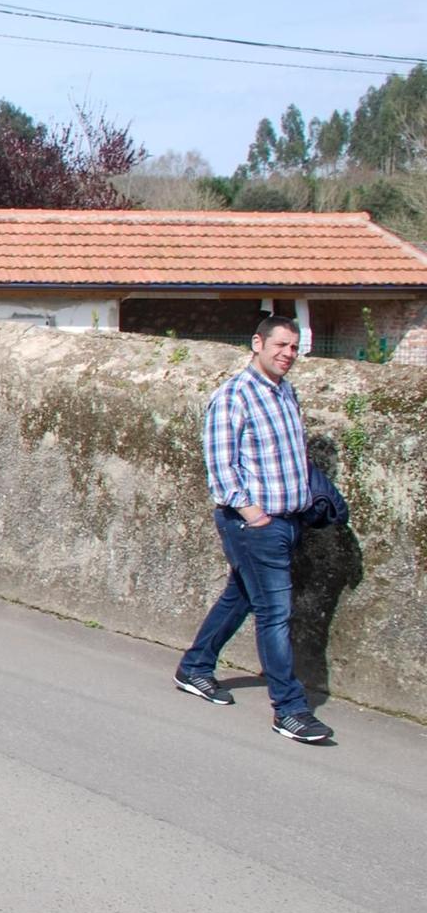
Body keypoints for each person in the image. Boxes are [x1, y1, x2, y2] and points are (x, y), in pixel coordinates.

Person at [173, 315, 333, 744]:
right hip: (256, 526)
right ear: (257, 343)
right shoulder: (233, 396)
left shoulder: (285, 393)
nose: (288, 354)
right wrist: (254, 516)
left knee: (240, 597)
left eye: (295, 348)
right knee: (275, 613)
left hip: (287, 521)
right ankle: (290, 708)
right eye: (281, 345)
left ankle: (195, 667)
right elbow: (220, 469)